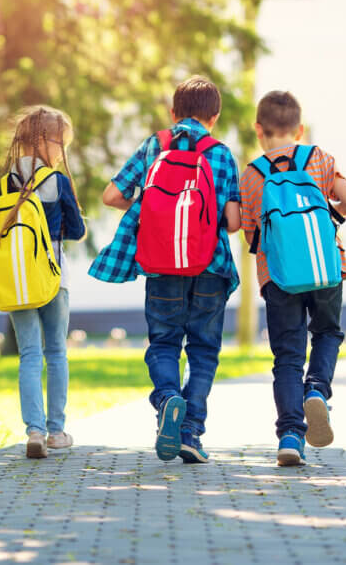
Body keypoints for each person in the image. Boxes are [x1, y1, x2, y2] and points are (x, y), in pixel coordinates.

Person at [95, 75, 241, 464]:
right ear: (215, 116)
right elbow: (234, 221)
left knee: (163, 343)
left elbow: (111, 196)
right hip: (211, 265)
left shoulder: (152, 146)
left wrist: (155, 212)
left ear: (173, 112)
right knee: (204, 350)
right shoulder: (222, 154)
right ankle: (191, 430)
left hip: (162, 264)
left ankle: (167, 400)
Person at [239, 90, 346, 466]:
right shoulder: (319, 159)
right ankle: (319, 392)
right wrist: (330, 216)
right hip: (326, 269)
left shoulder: (252, 175)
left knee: (288, 356)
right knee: (327, 334)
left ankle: (291, 436)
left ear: (259, 130)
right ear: (300, 128)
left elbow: (249, 234)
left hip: (279, 276)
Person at [1, 106, 86, 459]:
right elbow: (77, 231)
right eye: (60, 142)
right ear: (44, 142)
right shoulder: (57, 181)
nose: (62, 149)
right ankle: (56, 431)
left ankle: (33, 431)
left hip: (17, 280)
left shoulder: (7, 181)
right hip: (52, 277)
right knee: (56, 352)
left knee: (29, 354)